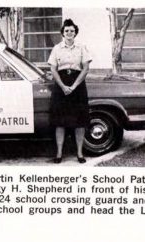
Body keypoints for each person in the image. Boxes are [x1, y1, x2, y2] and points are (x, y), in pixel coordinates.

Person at [47, 19, 92, 164]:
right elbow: (53, 69)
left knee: (80, 121)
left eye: (72, 31)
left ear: (75, 32)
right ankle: (59, 152)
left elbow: (85, 68)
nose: (69, 33)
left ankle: (79, 153)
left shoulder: (82, 47)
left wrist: (73, 86)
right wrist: (63, 86)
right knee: (60, 121)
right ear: (62, 33)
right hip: (61, 85)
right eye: (66, 31)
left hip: (78, 85)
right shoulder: (56, 48)